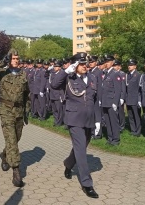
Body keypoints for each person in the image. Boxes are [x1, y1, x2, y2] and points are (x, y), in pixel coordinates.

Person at [52, 52, 99, 198]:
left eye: (86, 63)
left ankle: (68, 164)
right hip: (74, 119)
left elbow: (95, 100)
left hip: (89, 119)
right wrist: (66, 71)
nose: (85, 66)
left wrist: (97, 120)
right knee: (81, 151)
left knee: (81, 147)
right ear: (75, 65)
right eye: (82, 64)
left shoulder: (92, 78)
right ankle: (87, 184)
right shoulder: (68, 78)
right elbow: (54, 84)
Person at [0, 49, 29, 187]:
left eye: (17, 58)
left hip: (19, 111)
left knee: (15, 139)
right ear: (8, 60)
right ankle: (16, 172)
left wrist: (26, 111)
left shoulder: (23, 74)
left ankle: (4, 156)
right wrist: (1, 63)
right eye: (13, 58)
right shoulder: (2, 74)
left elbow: (27, 94)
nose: (16, 60)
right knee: (11, 140)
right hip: (6, 111)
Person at [99, 54, 122, 146]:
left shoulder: (115, 74)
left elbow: (118, 90)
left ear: (112, 62)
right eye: (105, 62)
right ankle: (110, 138)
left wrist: (115, 103)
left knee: (113, 122)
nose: (106, 63)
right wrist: (101, 100)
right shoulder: (105, 73)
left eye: (108, 62)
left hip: (111, 102)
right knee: (107, 122)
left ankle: (116, 139)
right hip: (105, 102)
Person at [125, 58, 142, 137]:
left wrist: (139, 100)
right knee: (130, 116)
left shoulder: (138, 75)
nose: (129, 66)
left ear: (135, 66)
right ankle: (133, 130)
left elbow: (140, 88)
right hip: (128, 99)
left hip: (135, 99)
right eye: (129, 65)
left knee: (136, 116)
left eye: (131, 65)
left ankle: (138, 132)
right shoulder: (127, 75)